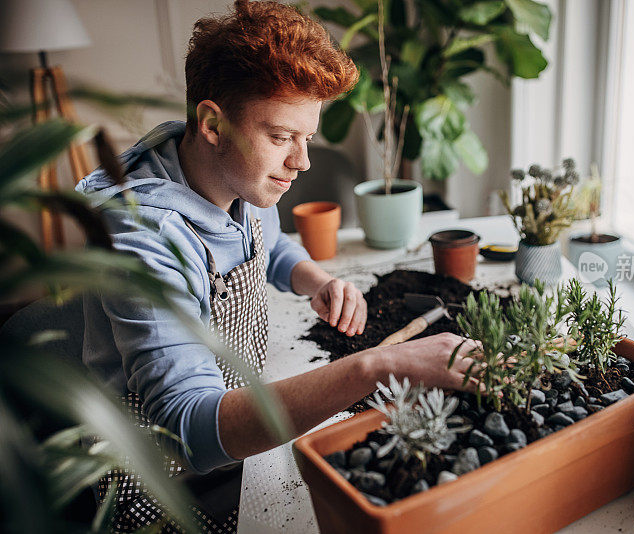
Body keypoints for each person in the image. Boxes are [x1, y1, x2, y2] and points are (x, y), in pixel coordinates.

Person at [76, 1, 477, 530]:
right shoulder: (146, 242)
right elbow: (190, 427)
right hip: (156, 473)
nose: (302, 162)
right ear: (213, 124)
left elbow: (271, 244)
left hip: (238, 419)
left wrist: (316, 278)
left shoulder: (236, 174)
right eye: (283, 137)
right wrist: (377, 366)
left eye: (306, 137)